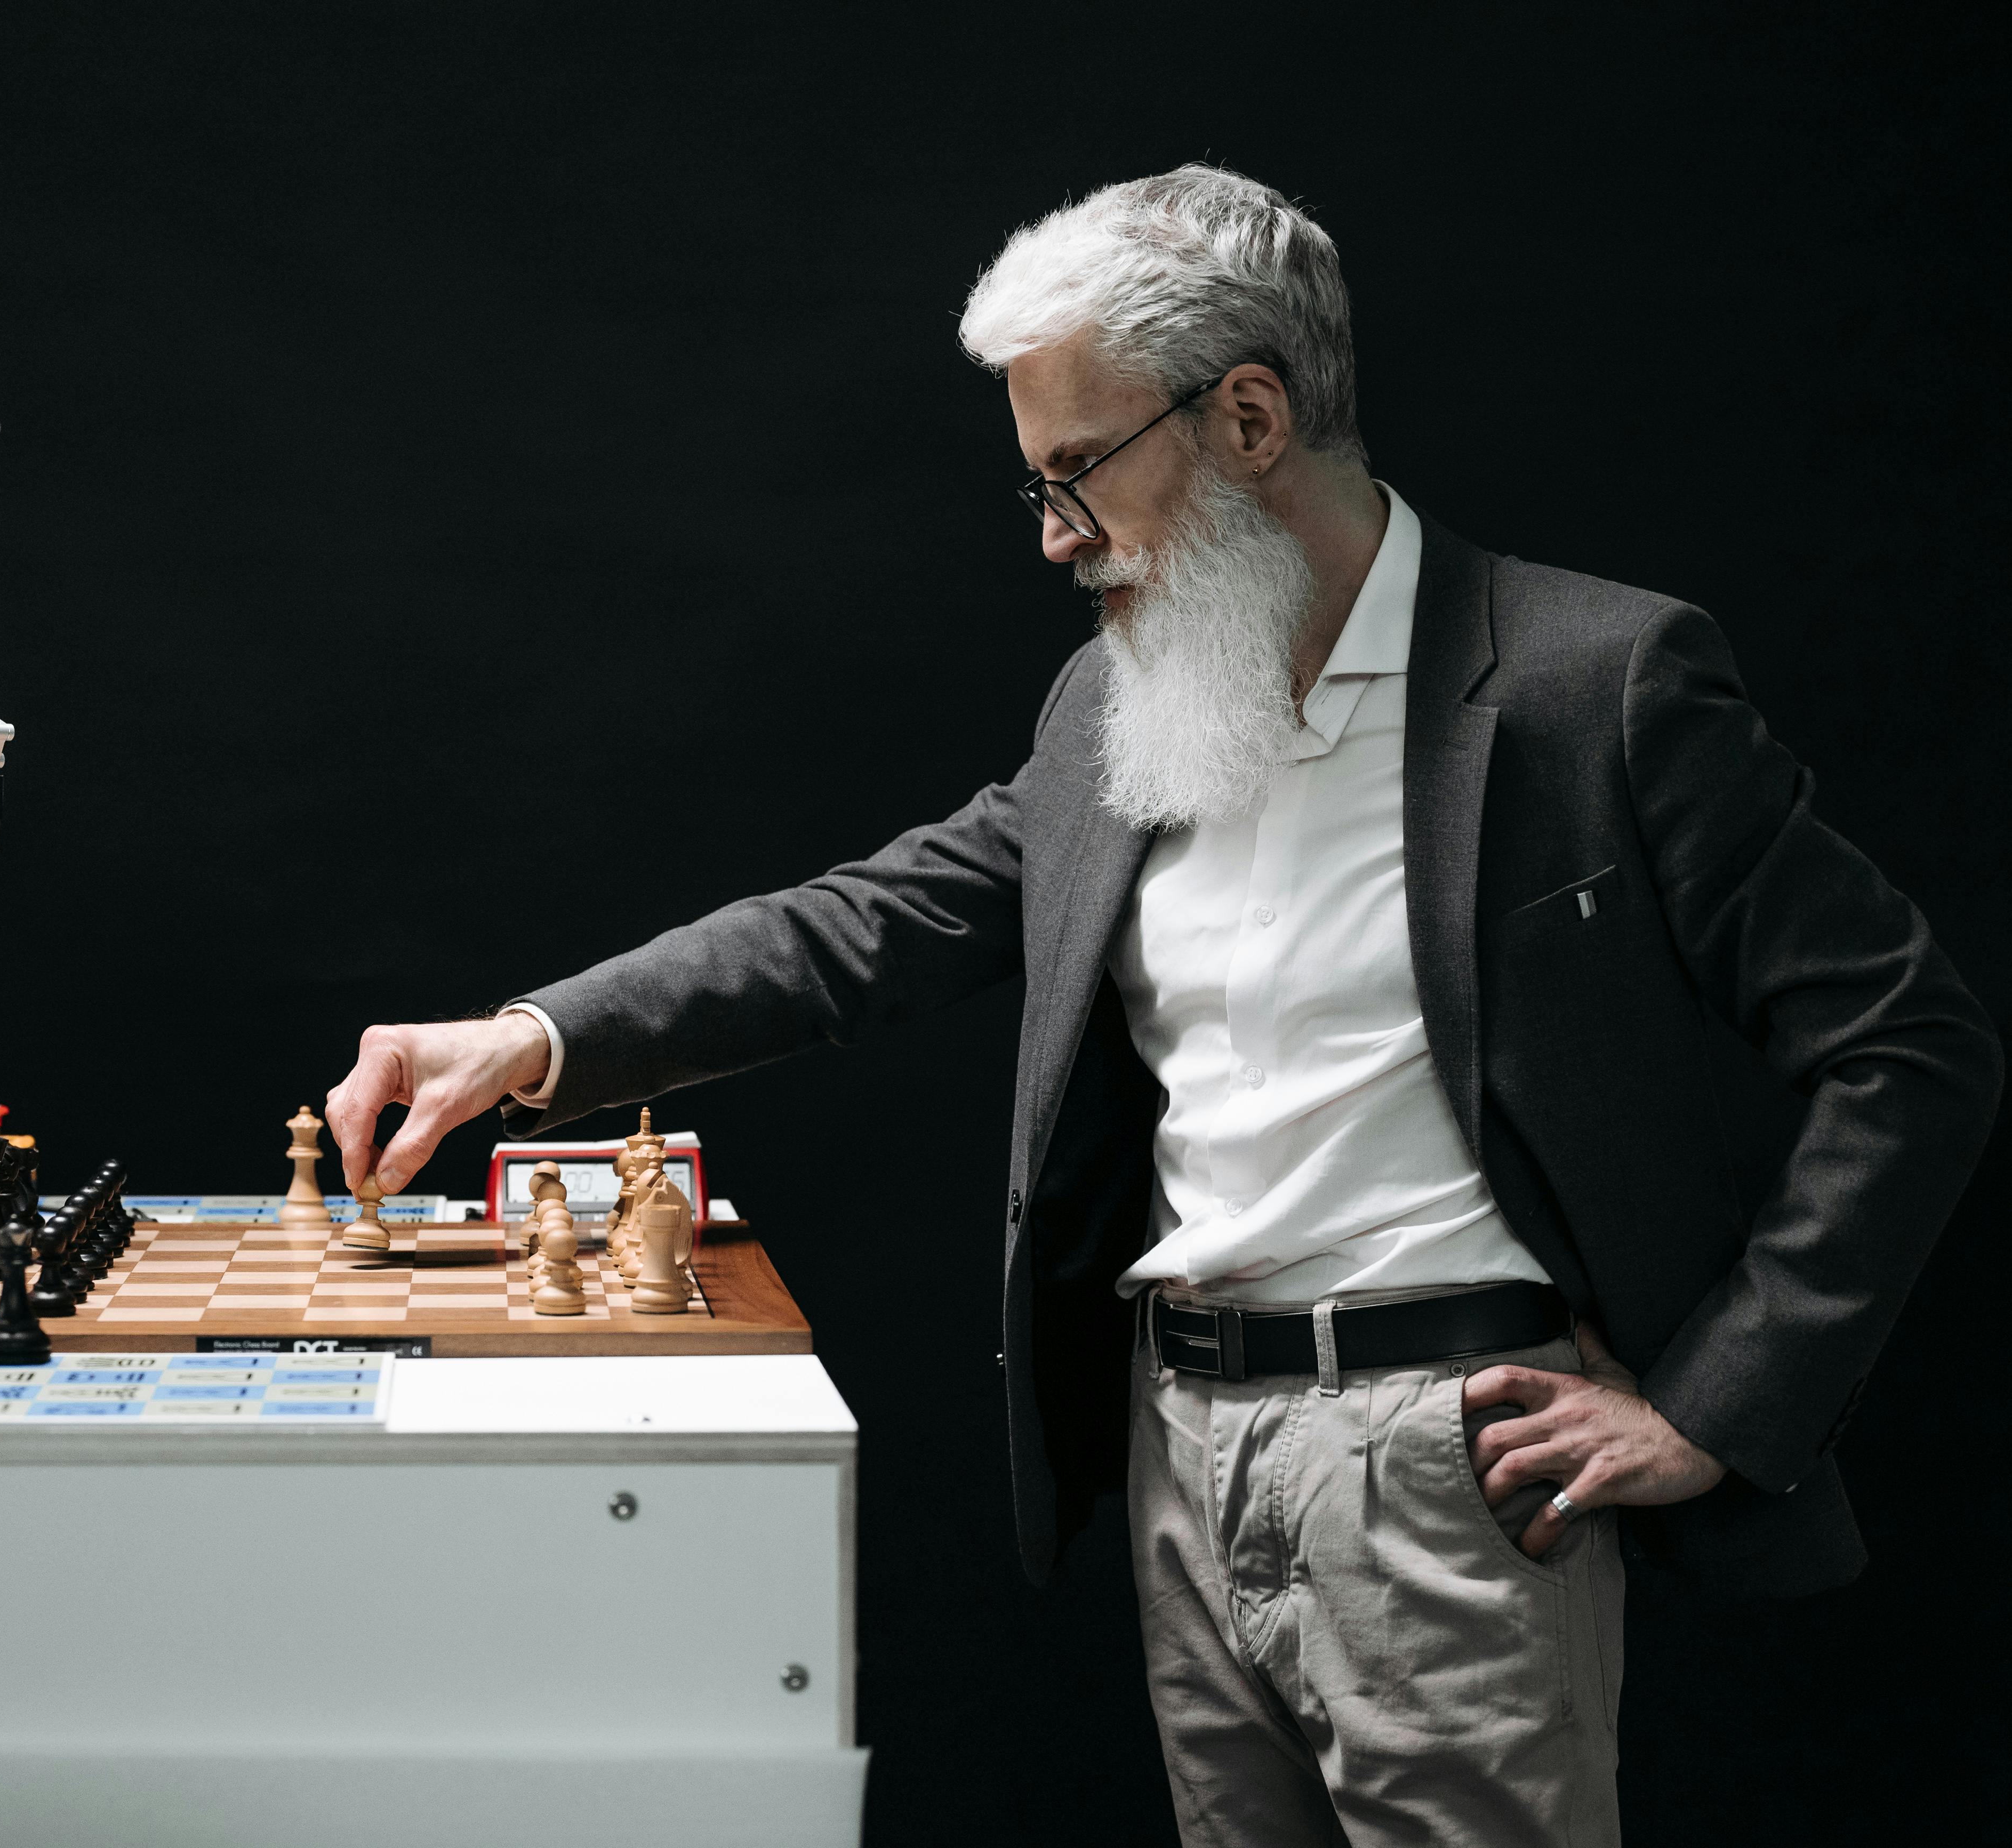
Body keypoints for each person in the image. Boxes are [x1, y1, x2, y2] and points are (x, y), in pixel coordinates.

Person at [322, 166, 1999, 1845]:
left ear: (1250, 416)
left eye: (1075, 474)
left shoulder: (1597, 685)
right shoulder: (1117, 706)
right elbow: (868, 925)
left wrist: (1714, 1402)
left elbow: (1911, 1045)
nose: (1054, 536)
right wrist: (529, 1038)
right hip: (1179, 1457)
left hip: (1451, 1483)